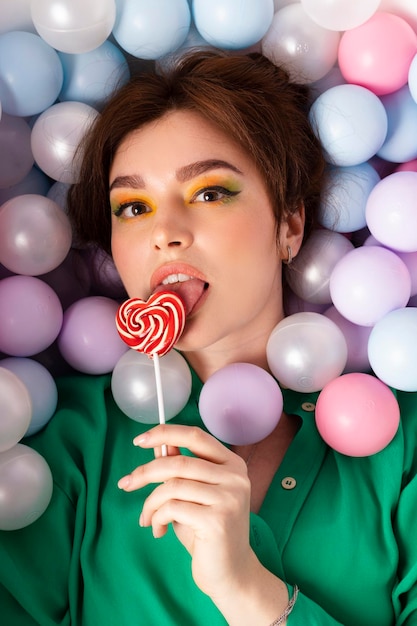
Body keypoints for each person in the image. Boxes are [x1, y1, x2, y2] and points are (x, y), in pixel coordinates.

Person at [0, 49, 416, 626]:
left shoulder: (401, 446)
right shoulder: (64, 447)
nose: (165, 232)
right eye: (134, 206)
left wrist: (248, 591)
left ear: (289, 224)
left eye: (210, 193)